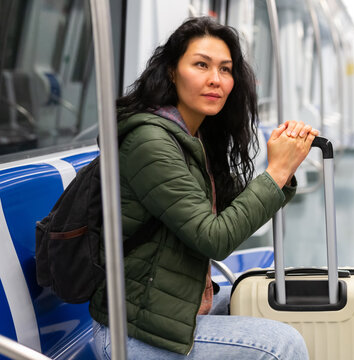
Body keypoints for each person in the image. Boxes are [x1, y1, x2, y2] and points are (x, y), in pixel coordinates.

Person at [90, 16, 318, 359]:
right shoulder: (149, 142)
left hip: (170, 309)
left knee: (274, 302)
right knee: (282, 345)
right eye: (201, 65)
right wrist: (276, 171)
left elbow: (228, 216)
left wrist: (282, 174)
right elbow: (215, 237)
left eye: (225, 70)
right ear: (171, 71)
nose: (216, 80)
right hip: (132, 331)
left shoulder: (194, 137)